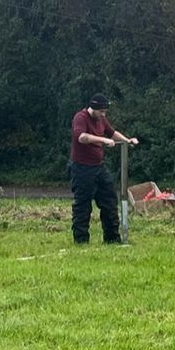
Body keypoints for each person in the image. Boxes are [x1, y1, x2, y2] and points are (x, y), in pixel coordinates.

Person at [69, 94, 138, 244]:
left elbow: (112, 133)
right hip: (82, 169)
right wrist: (103, 140)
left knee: (109, 201)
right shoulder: (80, 118)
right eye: (101, 111)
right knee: (83, 205)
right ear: (92, 108)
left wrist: (127, 140)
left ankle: (112, 239)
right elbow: (82, 137)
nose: (103, 114)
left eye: (105, 111)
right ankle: (81, 241)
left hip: (99, 167)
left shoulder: (101, 119)